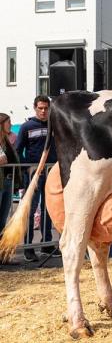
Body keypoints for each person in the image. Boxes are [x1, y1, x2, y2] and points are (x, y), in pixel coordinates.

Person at [16, 95, 57, 262]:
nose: (43, 111)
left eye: (46, 108)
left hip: (52, 174)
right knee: (31, 210)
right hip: (33, 175)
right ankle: (29, 247)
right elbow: (18, 150)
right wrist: (28, 166)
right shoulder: (26, 127)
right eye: (40, 108)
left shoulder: (54, 126)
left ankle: (46, 243)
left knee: (50, 210)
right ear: (35, 108)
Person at [0, 113, 20, 233]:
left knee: (3, 218)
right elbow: (3, 159)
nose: (11, 125)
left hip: (8, 181)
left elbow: (8, 159)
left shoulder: (6, 140)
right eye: (8, 122)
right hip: (1, 182)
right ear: (1, 125)